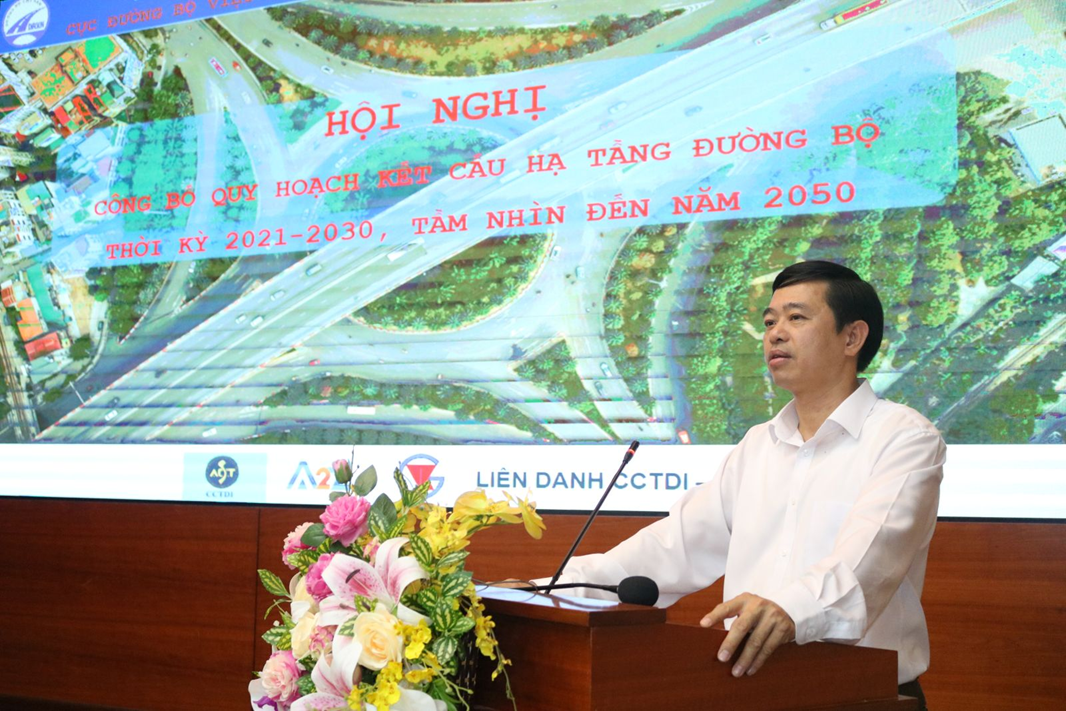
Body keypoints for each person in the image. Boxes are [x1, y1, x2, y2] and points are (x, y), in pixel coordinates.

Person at [551, 260, 943, 708]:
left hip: (862, 697)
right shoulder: (759, 445)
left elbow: (868, 560)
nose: (775, 334)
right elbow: (671, 548)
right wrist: (550, 588)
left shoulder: (904, 438)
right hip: (750, 692)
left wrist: (791, 609)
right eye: (770, 321)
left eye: (796, 318)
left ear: (852, 337)